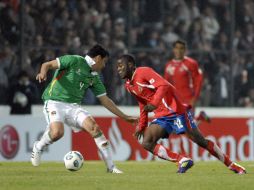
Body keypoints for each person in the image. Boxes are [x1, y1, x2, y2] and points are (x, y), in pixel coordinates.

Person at [116, 54, 246, 174]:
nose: (119, 69)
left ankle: (232, 165)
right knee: (147, 142)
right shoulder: (128, 85)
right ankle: (182, 160)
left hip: (176, 110)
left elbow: (164, 85)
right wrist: (142, 125)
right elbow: (142, 104)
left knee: (200, 141)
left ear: (131, 65)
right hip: (162, 116)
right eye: (117, 66)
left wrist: (155, 103)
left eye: (121, 65)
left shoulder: (143, 72)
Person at [31, 44, 137, 173]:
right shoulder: (74, 60)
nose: (104, 66)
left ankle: (111, 168)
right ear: (98, 58)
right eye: (104, 62)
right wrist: (43, 73)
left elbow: (105, 100)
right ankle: (39, 146)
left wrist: (124, 116)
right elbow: (46, 65)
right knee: (57, 133)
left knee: (95, 129)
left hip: (74, 107)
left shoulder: (94, 77)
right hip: (55, 102)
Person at [164, 40, 210, 125]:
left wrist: (195, 98)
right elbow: (166, 84)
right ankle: (200, 117)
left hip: (188, 98)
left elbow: (198, 81)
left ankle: (200, 117)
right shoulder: (169, 65)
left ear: (185, 50)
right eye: (177, 48)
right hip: (176, 100)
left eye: (181, 48)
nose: (179, 51)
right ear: (173, 50)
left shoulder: (191, 63)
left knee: (188, 127)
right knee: (178, 127)